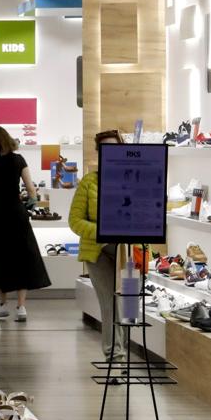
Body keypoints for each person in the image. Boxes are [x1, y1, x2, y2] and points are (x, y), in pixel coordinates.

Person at [0, 125, 50, 321]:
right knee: (22, 255)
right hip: (17, 212)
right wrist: (30, 203)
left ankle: (2, 304)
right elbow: (31, 189)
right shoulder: (19, 160)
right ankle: (21, 306)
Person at [70, 129, 124, 360]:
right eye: (104, 149)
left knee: (128, 301)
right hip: (97, 251)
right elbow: (74, 221)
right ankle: (115, 356)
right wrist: (101, 231)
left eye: (113, 147)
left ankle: (123, 353)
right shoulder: (89, 182)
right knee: (109, 302)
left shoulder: (132, 178)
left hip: (126, 250)